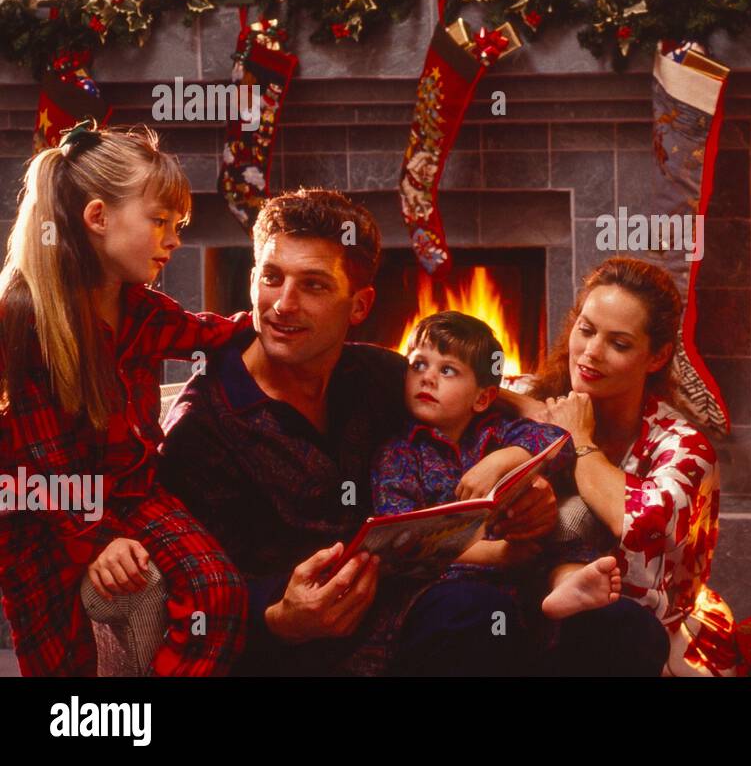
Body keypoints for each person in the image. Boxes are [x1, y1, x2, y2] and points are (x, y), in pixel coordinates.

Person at [157, 188, 561, 675]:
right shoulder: (201, 429)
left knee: (595, 621)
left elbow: (483, 407)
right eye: (272, 278)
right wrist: (280, 619)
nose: (283, 305)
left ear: (360, 305)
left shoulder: (375, 376)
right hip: (297, 650)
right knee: (475, 615)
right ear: (252, 281)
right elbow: (192, 587)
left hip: (416, 608)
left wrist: (525, 477)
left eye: (314, 286)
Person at [0, 122, 250, 676]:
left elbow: (211, 333)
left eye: (177, 225)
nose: (174, 239)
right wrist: (98, 540)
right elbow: (41, 466)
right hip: (42, 512)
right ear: (97, 218)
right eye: (160, 222)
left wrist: (279, 322)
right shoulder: (26, 317)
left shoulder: (139, 307)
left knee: (221, 593)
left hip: (135, 491)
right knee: (67, 672)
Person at [499, 256, 739, 676]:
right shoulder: (532, 396)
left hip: (635, 631)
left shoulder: (684, 448)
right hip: (524, 611)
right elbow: (463, 385)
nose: (591, 353)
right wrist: (529, 407)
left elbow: (638, 522)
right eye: (586, 330)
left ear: (657, 356)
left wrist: (580, 439)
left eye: (619, 343)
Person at [371, 310, 621, 619]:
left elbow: (559, 440)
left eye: (447, 370)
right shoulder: (399, 453)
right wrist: (499, 554)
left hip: (520, 565)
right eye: (418, 365)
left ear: (483, 398)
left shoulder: (496, 430)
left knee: (566, 535)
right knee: (470, 598)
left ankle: (568, 583)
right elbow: (400, 541)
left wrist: (507, 457)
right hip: (451, 577)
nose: (427, 377)